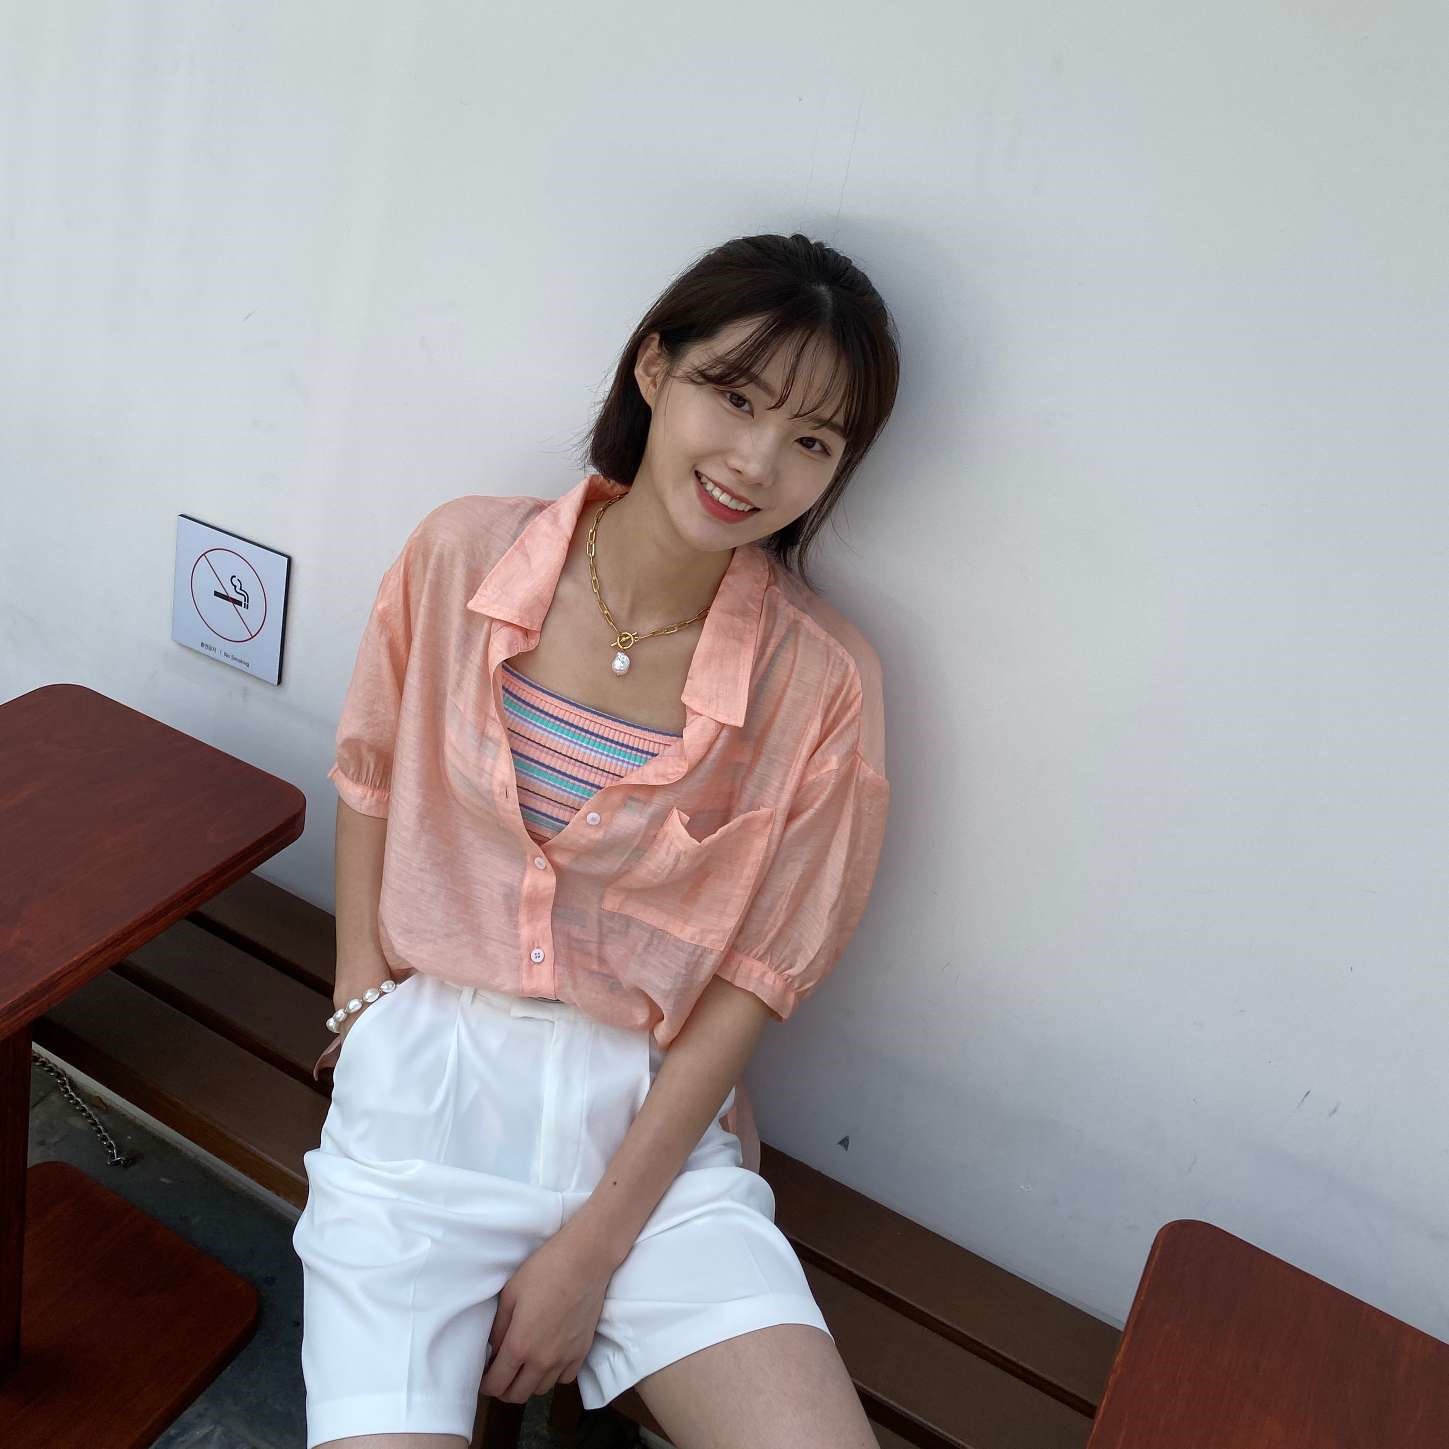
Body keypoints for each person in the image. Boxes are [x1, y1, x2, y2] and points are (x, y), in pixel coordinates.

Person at [292, 230, 900, 1449]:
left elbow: (756, 980)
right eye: (735, 396)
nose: (756, 463)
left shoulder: (822, 684)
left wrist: (591, 1251)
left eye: (812, 440)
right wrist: (361, 1007)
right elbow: (370, 772)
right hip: (423, 1094)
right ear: (652, 369)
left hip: (652, 1132)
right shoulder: (462, 556)